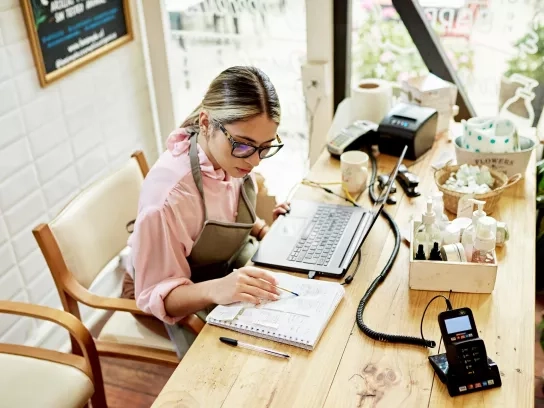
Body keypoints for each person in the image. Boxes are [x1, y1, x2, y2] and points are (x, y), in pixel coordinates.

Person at [122, 66, 291, 358]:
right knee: (242, 360)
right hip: (166, 294)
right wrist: (217, 290)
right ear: (205, 122)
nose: (255, 162)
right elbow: (155, 293)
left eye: (265, 148)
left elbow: (223, 212)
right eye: (244, 146)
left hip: (221, 270)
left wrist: (264, 230)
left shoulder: (229, 156)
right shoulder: (170, 197)